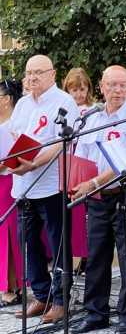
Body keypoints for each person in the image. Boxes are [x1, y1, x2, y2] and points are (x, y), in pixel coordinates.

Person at [70, 65, 126, 334]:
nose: (117, 90)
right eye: (112, 85)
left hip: (124, 196)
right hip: (96, 199)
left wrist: (92, 182)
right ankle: (96, 313)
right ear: (102, 87)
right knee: (96, 257)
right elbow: (82, 156)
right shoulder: (92, 118)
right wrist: (77, 183)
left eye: (123, 85)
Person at [9, 55, 79, 323]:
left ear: (53, 73)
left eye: (38, 72)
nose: (32, 77)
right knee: (28, 243)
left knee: (58, 242)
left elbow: (62, 142)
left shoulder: (64, 102)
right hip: (23, 186)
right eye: (29, 72)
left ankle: (61, 300)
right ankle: (41, 294)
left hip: (51, 185)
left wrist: (35, 162)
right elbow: (14, 134)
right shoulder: (24, 103)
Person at [63, 67, 96, 270]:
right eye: (74, 90)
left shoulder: (93, 110)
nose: (78, 94)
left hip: (83, 164)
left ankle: (82, 256)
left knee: (82, 211)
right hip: (66, 162)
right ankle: (71, 257)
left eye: (82, 89)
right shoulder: (64, 110)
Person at [0, 79, 23, 307]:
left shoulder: (13, 125)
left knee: (7, 232)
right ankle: (8, 283)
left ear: (7, 99)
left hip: (7, 180)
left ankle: (11, 286)